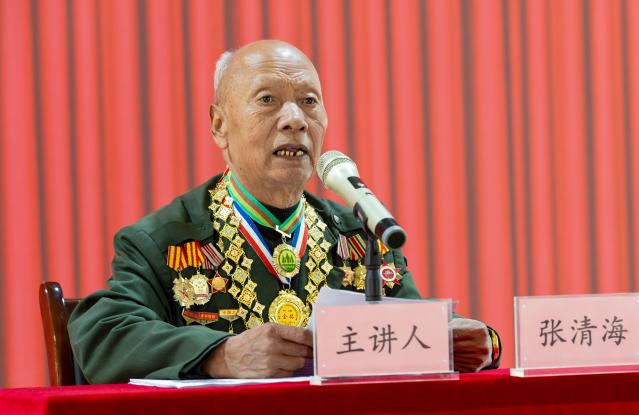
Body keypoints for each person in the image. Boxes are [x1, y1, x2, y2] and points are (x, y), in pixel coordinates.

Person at [69, 40, 500, 383]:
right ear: (220, 124)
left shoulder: (361, 234)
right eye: (268, 100)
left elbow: (414, 328)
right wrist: (221, 355)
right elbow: (104, 334)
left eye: (309, 101)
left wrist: (473, 341)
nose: (295, 119)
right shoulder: (163, 240)